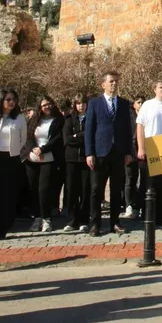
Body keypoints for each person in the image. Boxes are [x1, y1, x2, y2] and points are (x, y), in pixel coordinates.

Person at [85, 71, 134, 237]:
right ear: (103, 84)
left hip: (118, 152)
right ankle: (95, 224)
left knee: (116, 189)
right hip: (100, 152)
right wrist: (89, 152)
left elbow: (128, 130)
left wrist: (129, 152)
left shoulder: (124, 103)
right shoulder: (95, 103)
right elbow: (89, 129)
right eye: (111, 81)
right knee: (96, 189)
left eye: (116, 81)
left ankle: (115, 222)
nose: (114, 84)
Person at [135, 80, 162, 225]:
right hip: (152, 149)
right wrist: (141, 148)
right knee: (151, 183)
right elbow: (140, 126)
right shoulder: (147, 105)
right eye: (160, 87)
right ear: (154, 89)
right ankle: (149, 214)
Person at [0, 88, 27, 240]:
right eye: (8, 99)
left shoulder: (19, 118)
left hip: (11, 159)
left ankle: (1, 229)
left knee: (7, 195)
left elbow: (23, 139)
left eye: (14, 100)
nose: (11, 102)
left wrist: (15, 151)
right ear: (1, 100)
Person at [22, 95, 64, 233]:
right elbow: (28, 136)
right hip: (32, 159)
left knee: (44, 189)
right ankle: (37, 217)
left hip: (49, 158)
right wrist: (34, 148)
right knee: (33, 189)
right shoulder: (34, 119)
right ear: (40, 107)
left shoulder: (58, 120)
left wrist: (43, 149)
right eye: (44, 105)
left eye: (49, 104)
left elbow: (58, 139)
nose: (47, 107)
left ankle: (46, 218)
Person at [62, 93, 91, 232]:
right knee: (72, 190)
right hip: (71, 159)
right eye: (78, 103)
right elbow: (67, 139)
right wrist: (80, 137)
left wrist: (77, 135)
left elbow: (89, 135)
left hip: (85, 158)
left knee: (85, 190)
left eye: (83, 103)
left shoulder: (90, 118)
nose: (81, 106)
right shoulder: (69, 120)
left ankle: (84, 219)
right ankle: (72, 220)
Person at [122, 95, 145, 221]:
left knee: (143, 180)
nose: (140, 104)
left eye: (142, 102)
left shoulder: (147, 116)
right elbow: (126, 135)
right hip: (131, 152)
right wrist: (128, 153)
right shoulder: (129, 117)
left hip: (143, 152)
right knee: (130, 179)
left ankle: (139, 205)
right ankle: (129, 205)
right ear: (134, 105)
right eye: (138, 102)